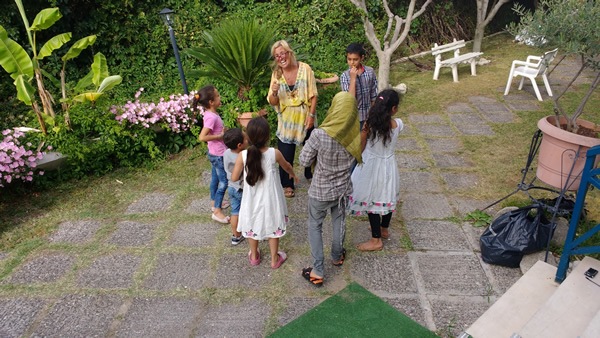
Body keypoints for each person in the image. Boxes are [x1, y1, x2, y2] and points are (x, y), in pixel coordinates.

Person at [299, 92, 363, 287]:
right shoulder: (354, 135)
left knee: (315, 226)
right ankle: (337, 256)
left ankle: (317, 270)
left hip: (320, 190)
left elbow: (303, 160)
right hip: (342, 189)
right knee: (339, 220)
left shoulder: (320, 134)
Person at [231, 117, 298, 268]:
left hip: (251, 199)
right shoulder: (274, 153)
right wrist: (292, 174)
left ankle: (254, 256)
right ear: (268, 136)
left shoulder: (243, 156)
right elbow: (286, 166)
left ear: (248, 137)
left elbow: (234, 177)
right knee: (273, 224)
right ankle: (274, 260)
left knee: (252, 222)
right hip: (271, 198)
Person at [349, 89, 403, 251]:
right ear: (394, 109)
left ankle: (375, 240)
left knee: (371, 198)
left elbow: (361, 145)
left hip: (371, 165)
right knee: (387, 195)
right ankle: (384, 229)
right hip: (389, 165)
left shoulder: (369, 124)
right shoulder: (398, 124)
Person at [267, 40, 318, 198]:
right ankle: (287, 184)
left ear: (290, 53)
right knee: (285, 153)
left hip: (305, 115)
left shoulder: (305, 68)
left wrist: (311, 116)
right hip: (287, 120)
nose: (281, 57)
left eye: (283, 53)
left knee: (312, 148)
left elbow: (314, 95)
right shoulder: (276, 75)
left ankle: (311, 174)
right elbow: (272, 101)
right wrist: (274, 93)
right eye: (277, 55)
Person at [196, 85, 230, 224]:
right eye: (217, 96)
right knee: (224, 182)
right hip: (218, 155)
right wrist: (220, 136)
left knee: (215, 179)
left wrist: (220, 133)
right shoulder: (211, 117)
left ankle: (214, 203)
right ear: (211, 102)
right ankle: (217, 211)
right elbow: (202, 137)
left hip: (214, 153)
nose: (220, 98)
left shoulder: (211, 114)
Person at [340, 43, 378, 130]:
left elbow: (373, 95)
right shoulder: (345, 76)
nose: (352, 62)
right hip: (354, 118)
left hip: (369, 115)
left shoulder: (370, 72)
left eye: (355, 59)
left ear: (362, 58)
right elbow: (350, 100)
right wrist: (353, 79)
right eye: (349, 59)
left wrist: (373, 114)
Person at [223, 128, 249, 246]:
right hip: (242, 189)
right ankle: (253, 231)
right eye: (245, 139)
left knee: (235, 212)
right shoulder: (243, 156)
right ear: (240, 145)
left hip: (231, 187)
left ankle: (236, 236)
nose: (247, 139)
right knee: (249, 210)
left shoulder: (226, 152)